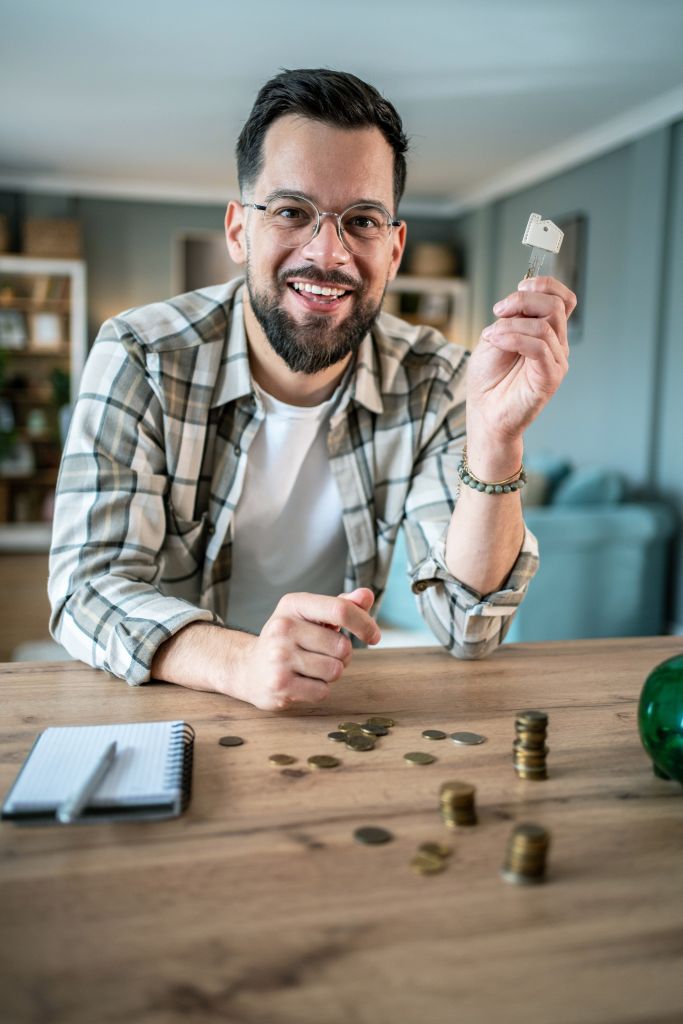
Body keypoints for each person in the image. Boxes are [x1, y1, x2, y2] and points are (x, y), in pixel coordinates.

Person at [48, 68, 576, 710]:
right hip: (178, 694)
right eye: (293, 212)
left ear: (395, 247)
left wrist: (496, 438)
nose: (329, 253)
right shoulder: (141, 354)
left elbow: (470, 628)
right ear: (240, 229)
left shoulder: (439, 379)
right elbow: (87, 586)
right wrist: (242, 660)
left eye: (362, 220)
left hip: (339, 706)